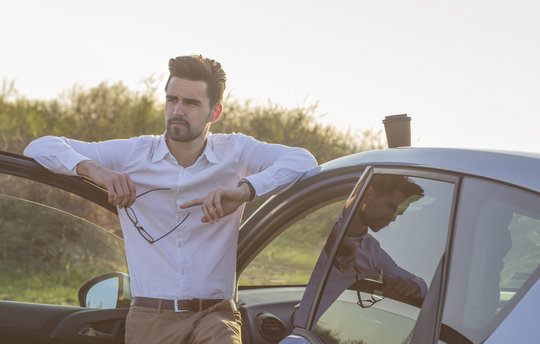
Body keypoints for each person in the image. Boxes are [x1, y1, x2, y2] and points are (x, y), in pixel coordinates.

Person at [24, 54, 317, 344]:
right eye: (171, 99)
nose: (177, 110)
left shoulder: (235, 151)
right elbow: (40, 147)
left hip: (216, 318)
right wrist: (95, 170)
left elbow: (302, 159)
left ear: (215, 112)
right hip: (150, 319)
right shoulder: (133, 154)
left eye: (190, 103)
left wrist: (244, 191)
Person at [289, 175, 426, 333]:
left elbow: (420, 283)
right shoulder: (321, 219)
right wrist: (335, 239)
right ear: (367, 193)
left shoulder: (371, 251)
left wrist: (413, 286)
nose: (392, 218)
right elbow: (313, 231)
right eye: (391, 206)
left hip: (317, 333)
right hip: (300, 328)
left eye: (398, 212)